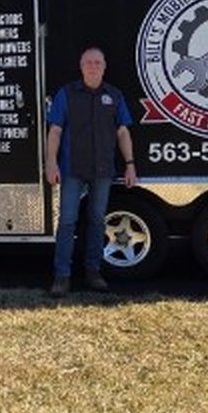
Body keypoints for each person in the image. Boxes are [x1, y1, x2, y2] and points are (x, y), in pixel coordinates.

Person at [44, 46, 136, 296]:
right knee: (67, 221)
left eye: (97, 62)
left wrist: (130, 165)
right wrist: (51, 163)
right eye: (88, 62)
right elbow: (55, 131)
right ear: (81, 67)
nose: (93, 66)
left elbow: (123, 132)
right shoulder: (66, 94)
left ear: (104, 67)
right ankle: (62, 277)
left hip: (104, 169)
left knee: (97, 221)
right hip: (72, 169)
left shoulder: (114, 96)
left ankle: (93, 273)